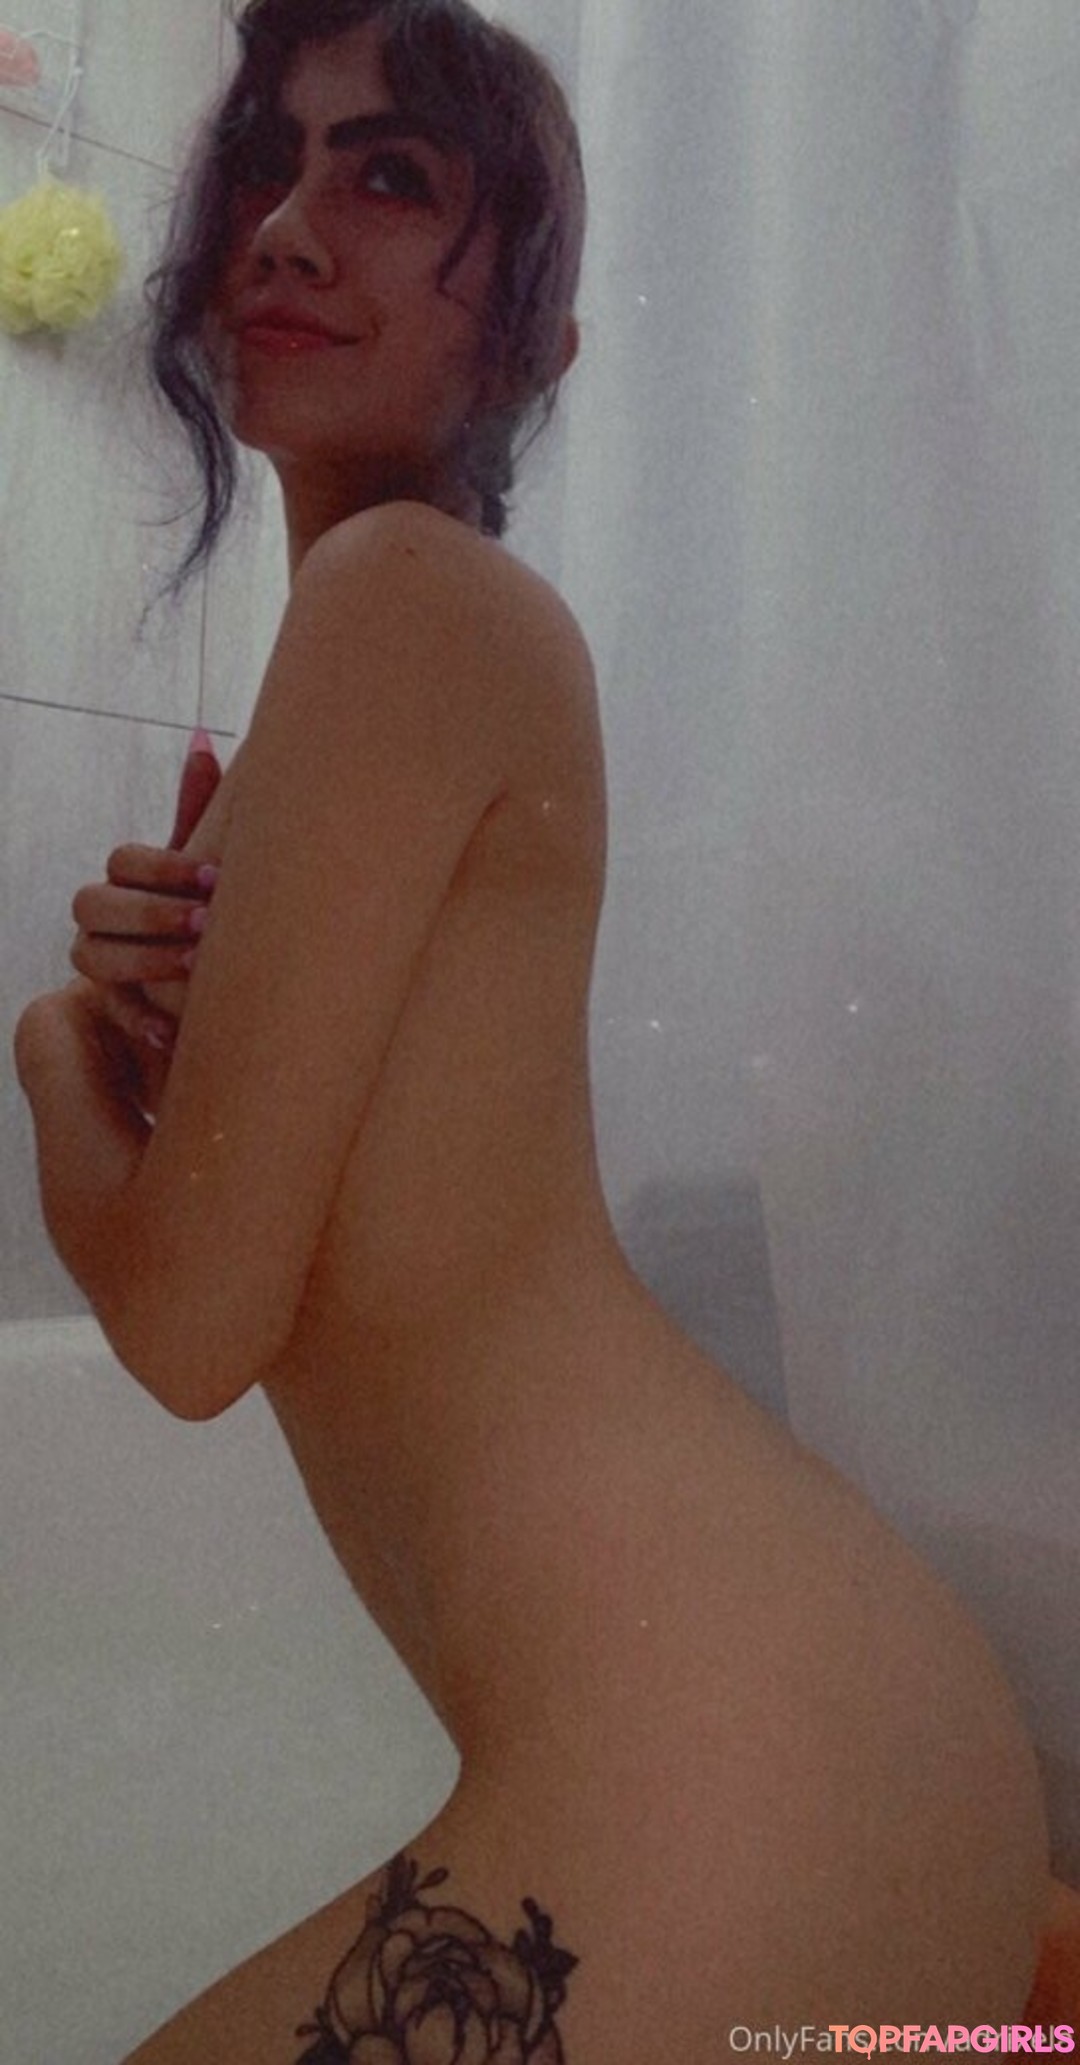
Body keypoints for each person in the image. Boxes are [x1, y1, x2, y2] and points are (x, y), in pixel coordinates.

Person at [13, 2, 1063, 2056]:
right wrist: (170, 1053)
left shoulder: (403, 599)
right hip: (824, 1763)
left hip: (767, 1766)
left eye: (392, 176)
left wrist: (57, 1049)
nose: (289, 223)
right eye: (270, 159)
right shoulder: (401, 651)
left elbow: (188, 1324)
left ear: (533, 349)